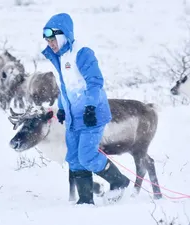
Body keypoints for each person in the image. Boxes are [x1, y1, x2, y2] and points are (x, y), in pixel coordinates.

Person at [41, 13, 130, 205]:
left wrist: (90, 106)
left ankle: (119, 181)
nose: (51, 44)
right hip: (73, 118)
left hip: (92, 115)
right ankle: (85, 200)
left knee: (87, 156)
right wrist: (62, 108)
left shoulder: (82, 53)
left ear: (63, 35)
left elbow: (95, 82)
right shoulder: (60, 58)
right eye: (48, 41)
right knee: (74, 158)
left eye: (53, 39)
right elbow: (66, 88)